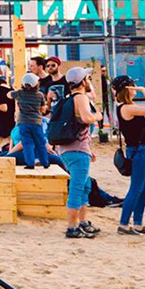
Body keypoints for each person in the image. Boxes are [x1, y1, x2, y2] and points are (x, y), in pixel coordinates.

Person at [52, 66, 103, 239]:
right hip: (76, 150)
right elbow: (88, 118)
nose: (89, 80)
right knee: (77, 187)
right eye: (88, 78)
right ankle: (72, 227)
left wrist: (90, 150)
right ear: (82, 81)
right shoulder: (80, 97)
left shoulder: (70, 98)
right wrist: (99, 115)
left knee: (85, 185)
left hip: (71, 149)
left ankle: (82, 222)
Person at [112, 75, 145, 234]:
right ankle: (124, 224)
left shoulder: (128, 107)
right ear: (127, 89)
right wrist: (144, 91)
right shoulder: (126, 107)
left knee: (143, 187)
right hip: (139, 152)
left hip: (142, 150)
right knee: (136, 188)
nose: (134, 89)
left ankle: (138, 223)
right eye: (132, 86)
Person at [12, 73, 49, 169]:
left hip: (23, 123)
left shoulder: (20, 93)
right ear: (36, 84)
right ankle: (45, 163)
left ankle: (30, 164)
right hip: (37, 122)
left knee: (27, 143)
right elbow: (43, 109)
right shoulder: (40, 95)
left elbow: (9, 95)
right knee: (40, 142)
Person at [0, 66, 15, 153]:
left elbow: (4, 108)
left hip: (1, 123)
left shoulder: (0, 90)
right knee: (13, 147)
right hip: (10, 122)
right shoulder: (10, 89)